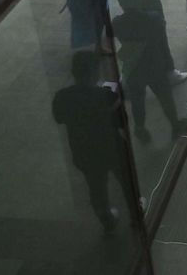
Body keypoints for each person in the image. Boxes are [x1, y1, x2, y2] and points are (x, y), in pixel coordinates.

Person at [52, 51, 134, 233]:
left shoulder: (62, 97)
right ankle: (135, 216)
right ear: (94, 72)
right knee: (126, 181)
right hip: (111, 147)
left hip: (84, 150)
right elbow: (122, 122)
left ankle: (107, 221)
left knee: (96, 187)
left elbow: (59, 118)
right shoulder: (105, 96)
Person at [112, 0, 187, 144]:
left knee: (137, 100)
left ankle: (140, 128)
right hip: (154, 65)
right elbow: (161, 42)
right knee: (165, 96)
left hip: (133, 68)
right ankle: (175, 125)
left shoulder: (118, 22)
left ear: (121, 3)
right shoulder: (153, 18)